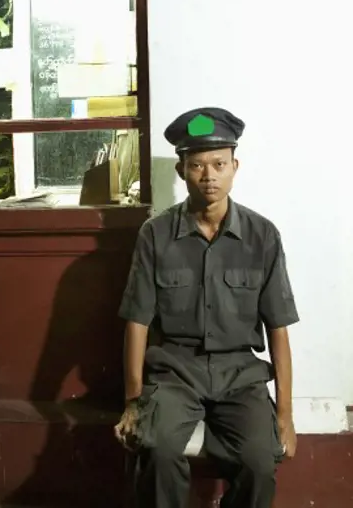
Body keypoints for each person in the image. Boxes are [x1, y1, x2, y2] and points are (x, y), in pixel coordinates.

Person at [114, 107, 299, 508]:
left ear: (235, 166)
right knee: (157, 449)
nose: (209, 175)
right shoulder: (156, 235)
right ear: (182, 170)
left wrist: (284, 414)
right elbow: (137, 322)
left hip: (240, 374)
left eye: (219, 164)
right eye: (197, 164)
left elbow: (278, 327)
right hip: (176, 371)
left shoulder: (262, 236)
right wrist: (133, 401)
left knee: (260, 462)